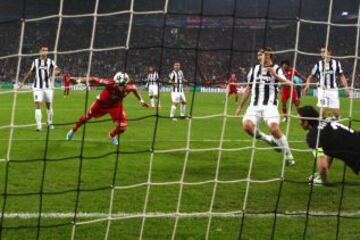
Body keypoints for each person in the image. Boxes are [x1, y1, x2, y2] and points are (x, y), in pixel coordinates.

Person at [235, 47, 295, 166]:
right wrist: (240, 106)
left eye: (260, 55)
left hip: (270, 106)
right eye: (257, 55)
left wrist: (275, 75)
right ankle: (268, 139)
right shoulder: (254, 69)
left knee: (273, 128)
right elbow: (249, 87)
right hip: (254, 105)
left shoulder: (277, 68)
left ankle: (288, 155)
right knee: (247, 127)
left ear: (268, 56)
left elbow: (289, 84)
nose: (258, 57)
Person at [65, 72, 149, 145]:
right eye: (118, 84)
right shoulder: (109, 83)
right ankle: (73, 130)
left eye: (122, 85)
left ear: (126, 84)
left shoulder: (129, 88)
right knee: (86, 117)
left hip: (116, 106)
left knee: (123, 127)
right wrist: (78, 81)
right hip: (102, 103)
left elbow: (134, 89)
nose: (119, 86)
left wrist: (141, 100)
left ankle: (112, 135)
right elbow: (93, 79)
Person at [298, 105, 360, 185]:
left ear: (306, 122)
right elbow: (331, 149)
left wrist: (325, 182)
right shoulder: (326, 120)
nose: (298, 122)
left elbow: (322, 166)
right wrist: (323, 173)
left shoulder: (313, 136)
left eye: (299, 120)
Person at [20, 45, 61, 131]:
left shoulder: (50, 61)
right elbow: (30, 73)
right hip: (37, 87)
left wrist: (56, 71)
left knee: (49, 106)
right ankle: (39, 126)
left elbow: (58, 69)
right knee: (38, 105)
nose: (45, 52)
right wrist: (22, 83)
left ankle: (50, 123)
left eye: (46, 50)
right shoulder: (35, 61)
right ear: (40, 51)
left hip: (48, 87)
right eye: (43, 50)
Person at [302, 47, 350, 119]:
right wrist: (307, 86)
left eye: (324, 51)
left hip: (333, 90)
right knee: (323, 109)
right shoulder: (318, 64)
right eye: (321, 52)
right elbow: (311, 76)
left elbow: (341, 76)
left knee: (336, 114)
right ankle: (322, 125)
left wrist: (346, 88)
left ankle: (331, 121)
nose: (322, 53)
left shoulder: (336, 63)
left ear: (329, 52)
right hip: (322, 90)